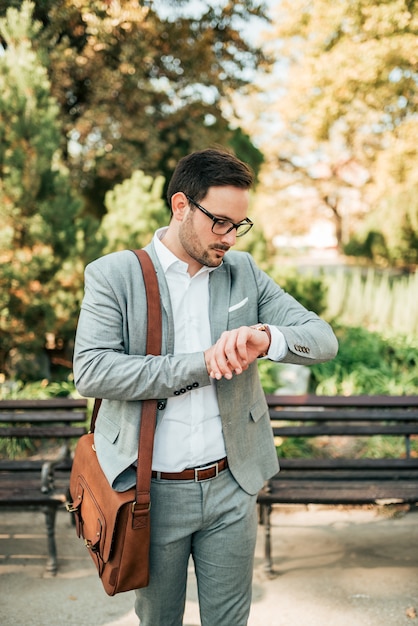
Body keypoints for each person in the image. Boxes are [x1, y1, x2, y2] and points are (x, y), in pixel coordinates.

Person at [73, 148, 338, 626]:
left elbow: (322, 339)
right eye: (219, 222)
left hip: (232, 485)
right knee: (159, 621)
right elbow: (92, 371)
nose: (230, 237)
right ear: (180, 206)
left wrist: (266, 337)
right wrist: (201, 363)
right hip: (150, 494)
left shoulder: (245, 273)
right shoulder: (114, 274)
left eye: (239, 225)